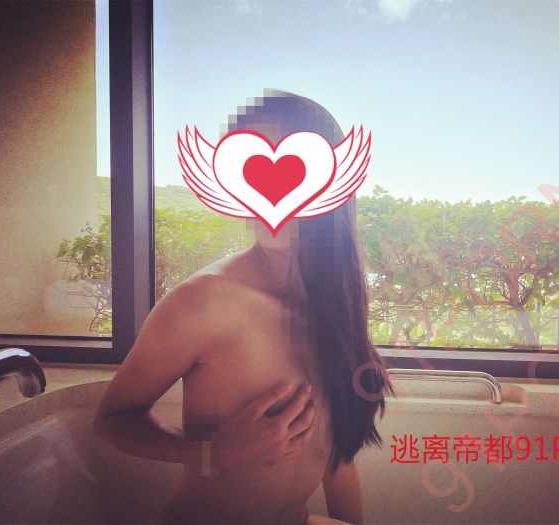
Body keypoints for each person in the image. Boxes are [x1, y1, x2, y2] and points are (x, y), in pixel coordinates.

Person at [93, 89, 393, 525]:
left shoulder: (337, 304)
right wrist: (213, 452)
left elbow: (336, 454)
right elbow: (112, 420)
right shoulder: (206, 300)